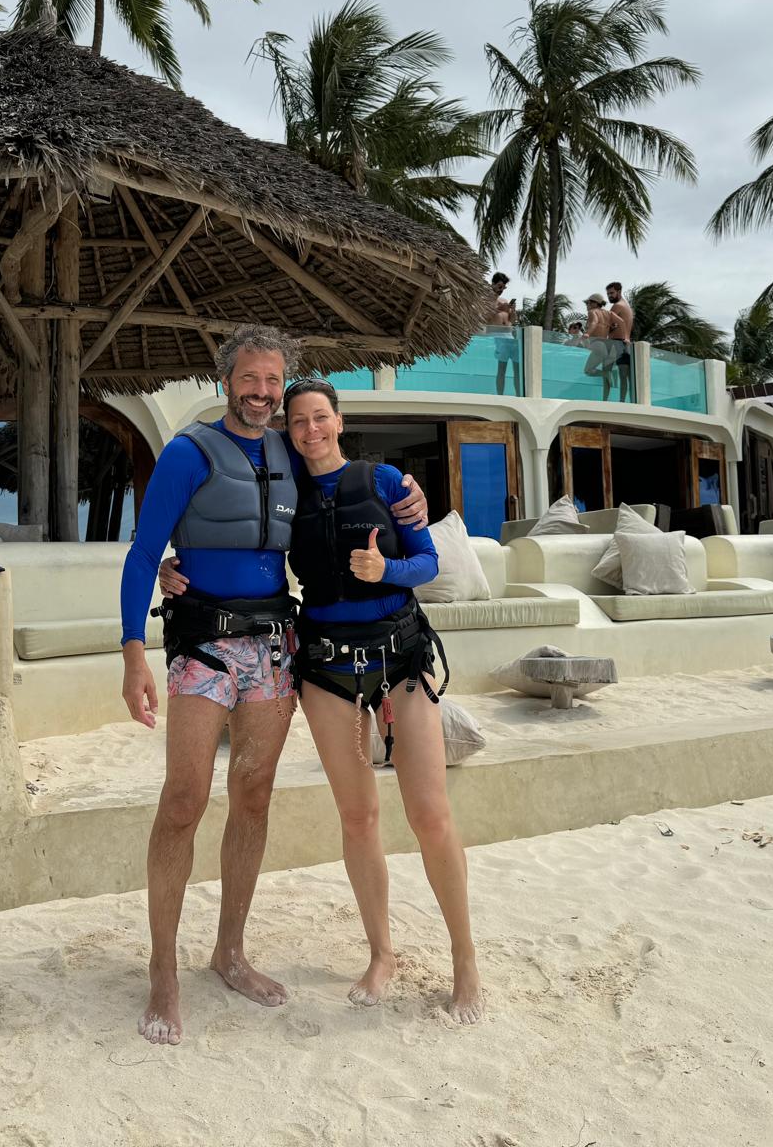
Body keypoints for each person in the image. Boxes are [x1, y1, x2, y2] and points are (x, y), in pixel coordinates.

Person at [118, 325, 428, 1047]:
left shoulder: (291, 451)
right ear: (225, 380)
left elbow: (353, 480)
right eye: (249, 379)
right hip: (201, 644)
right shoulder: (188, 453)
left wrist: (407, 494)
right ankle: (163, 968)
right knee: (184, 800)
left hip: (274, 645)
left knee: (253, 794)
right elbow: (142, 554)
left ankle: (229, 951)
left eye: (272, 382)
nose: (261, 393)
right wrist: (134, 653)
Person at [281, 377, 484, 1023]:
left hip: (399, 653)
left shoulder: (387, 481)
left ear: (339, 421)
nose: (311, 430)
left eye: (320, 417)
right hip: (327, 668)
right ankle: (382, 952)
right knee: (359, 816)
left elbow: (428, 562)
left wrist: (385, 572)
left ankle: (465, 958)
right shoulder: (285, 495)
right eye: (299, 422)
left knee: (430, 814)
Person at [490, 273, 521, 396]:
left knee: (517, 370)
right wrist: (498, 308)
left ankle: (519, 396)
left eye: (503, 287)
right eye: (499, 286)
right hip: (498, 338)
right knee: (501, 370)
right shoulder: (485, 299)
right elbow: (483, 317)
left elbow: (512, 321)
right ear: (492, 284)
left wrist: (513, 311)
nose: (501, 290)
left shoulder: (504, 301)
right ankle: (500, 397)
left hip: (510, 337)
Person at [606, 281, 634, 401]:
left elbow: (605, 324)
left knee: (606, 372)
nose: (609, 296)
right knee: (625, 377)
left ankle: (604, 401)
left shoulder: (617, 306)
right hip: (626, 344)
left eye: (612, 293)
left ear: (619, 291)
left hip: (616, 344)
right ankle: (622, 402)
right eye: (608, 294)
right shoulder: (627, 306)